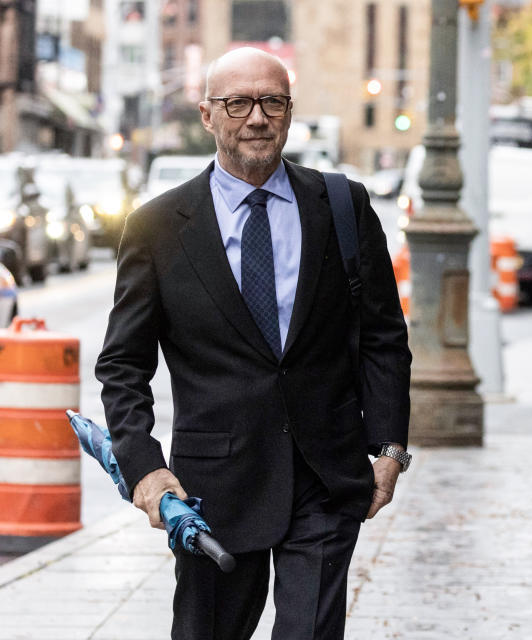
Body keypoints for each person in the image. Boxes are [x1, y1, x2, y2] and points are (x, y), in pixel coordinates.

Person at [95, 48, 412, 640]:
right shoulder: (158, 226)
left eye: (273, 102)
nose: (257, 117)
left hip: (326, 478)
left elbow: (384, 339)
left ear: (290, 113)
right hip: (212, 492)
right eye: (237, 103)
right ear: (208, 115)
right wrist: (144, 468)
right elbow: (122, 364)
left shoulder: (343, 206)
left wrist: (390, 449)